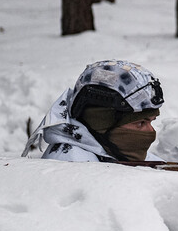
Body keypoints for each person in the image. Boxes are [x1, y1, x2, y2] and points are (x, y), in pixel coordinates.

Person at [23, 59, 165, 162]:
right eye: (140, 123)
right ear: (101, 122)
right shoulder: (70, 165)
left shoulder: (114, 155)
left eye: (151, 122)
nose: (151, 132)